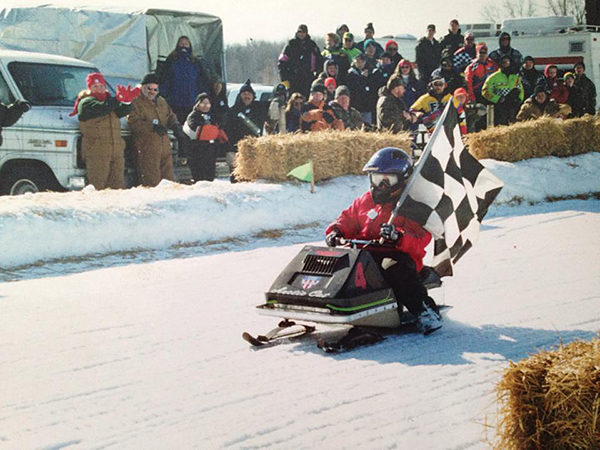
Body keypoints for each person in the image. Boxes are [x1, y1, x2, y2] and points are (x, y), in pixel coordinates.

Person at [324, 147, 442, 335]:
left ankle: (425, 311)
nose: (382, 186)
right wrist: (335, 230)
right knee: (328, 260)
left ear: (402, 179)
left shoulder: (413, 207)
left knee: (394, 269)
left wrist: (398, 236)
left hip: (395, 255)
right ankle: (316, 299)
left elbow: (421, 240)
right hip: (362, 252)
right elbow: (347, 219)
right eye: (378, 179)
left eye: (388, 180)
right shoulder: (365, 200)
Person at [71, 72, 135, 190]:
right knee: (97, 185)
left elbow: (121, 112)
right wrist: (117, 99)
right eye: (95, 86)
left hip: (116, 151)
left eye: (101, 86)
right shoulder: (86, 102)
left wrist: (127, 101)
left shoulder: (109, 102)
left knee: (117, 185)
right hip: (96, 151)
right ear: (89, 88)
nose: (99, 89)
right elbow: (102, 108)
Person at [127, 72, 186, 187]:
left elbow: (170, 116)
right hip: (147, 147)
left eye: (155, 89)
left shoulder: (161, 101)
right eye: (150, 88)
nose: (152, 92)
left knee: (168, 181)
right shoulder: (135, 102)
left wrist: (175, 126)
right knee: (151, 181)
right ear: (143, 87)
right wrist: (152, 127)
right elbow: (133, 122)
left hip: (164, 146)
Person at [159, 36, 219, 124]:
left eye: (186, 44)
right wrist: (164, 97)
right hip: (175, 102)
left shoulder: (195, 62)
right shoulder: (171, 61)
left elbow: (201, 82)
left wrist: (204, 96)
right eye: (181, 44)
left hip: (192, 101)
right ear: (177, 45)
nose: (183, 46)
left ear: (190, 46)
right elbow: (165, 81)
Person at [225, 79, 265, 182]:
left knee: (252, 175)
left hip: (254, 146)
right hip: (237, 147)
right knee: (238, 176)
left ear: (253, 96)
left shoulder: (259, 108)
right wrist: (229, 149)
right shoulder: (232, 111)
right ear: (240, 95)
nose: (246, 96)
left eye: (249, 94)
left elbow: (273, 105)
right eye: (244, 94)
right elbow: (226, 130)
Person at [183, 93, 229, 182]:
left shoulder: (212, 116)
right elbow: (195, 130)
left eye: (208, 104)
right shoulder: (193, 116)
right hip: (197, 150)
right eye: (203, 103)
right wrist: (212, 129)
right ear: (198, 104)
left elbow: (218, 129)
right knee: (199, 176)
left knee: (210, 176)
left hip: (210, 150)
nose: (205, 106)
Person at [278, 24, 322, 99]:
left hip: (308, 79)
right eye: (300, 32)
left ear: (306, 33)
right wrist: (285, 78)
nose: (301, 34)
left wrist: (316, 76)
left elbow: (319, 60)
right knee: (294, 100)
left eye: (303, 32)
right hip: (293, 79)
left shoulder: (311, 45)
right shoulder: (291, 44)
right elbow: (282, 62)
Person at [482, 55, 524, 126]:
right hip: (499, 107)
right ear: (500, 64)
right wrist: (498, 99)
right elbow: (485, 91)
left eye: (507, 62)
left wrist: (519, 100)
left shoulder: (515, 77)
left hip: (512, 107)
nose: (505, 64)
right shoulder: (493, 77)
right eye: (503, 62)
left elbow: (521, 90)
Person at [346, 54, 372, 123]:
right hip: (356, 106)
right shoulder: (351, 73)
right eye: (358, 62)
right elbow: (356, 88)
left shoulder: (368, 72)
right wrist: (363, 78)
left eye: (362, 62)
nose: (360, 64)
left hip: (366, 106)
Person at [415, 24, 442, 91]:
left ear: (434, 32)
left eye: (432, 31)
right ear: (427, 31)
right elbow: (418, 59)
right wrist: (421, 71)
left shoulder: (436, 44)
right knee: (423, 89)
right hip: (424, 72)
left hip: (434, 70)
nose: (431, 32)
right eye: (429, 30)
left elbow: (438, 57)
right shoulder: (421, 43)